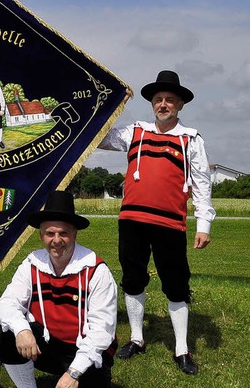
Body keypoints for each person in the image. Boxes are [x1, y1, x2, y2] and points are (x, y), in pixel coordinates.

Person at [98, 70, 215, 375]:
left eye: (170, 100)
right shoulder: (133, 132)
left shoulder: (190, 139)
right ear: (152, 103)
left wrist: (204, 225)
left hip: (170, 224)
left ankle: (181, 349)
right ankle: (137, 339)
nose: (163, 104)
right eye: (159, 99)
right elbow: (97, 136)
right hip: (132, 220)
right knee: (133, 278)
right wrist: (104, 104)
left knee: (175, 284)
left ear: (180, 105)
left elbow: (202, 184)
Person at [0, 191, 118, 388]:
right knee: (9, 339)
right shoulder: (32, 264)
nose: (56, 240)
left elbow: (102, 331)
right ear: (41, 235)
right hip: (48, 344)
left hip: (85, 351)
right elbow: (6, 303)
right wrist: (22, 330)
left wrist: (74, 372)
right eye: (50, 233)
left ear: (75, 234)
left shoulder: (96, 270)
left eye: (64, 233)